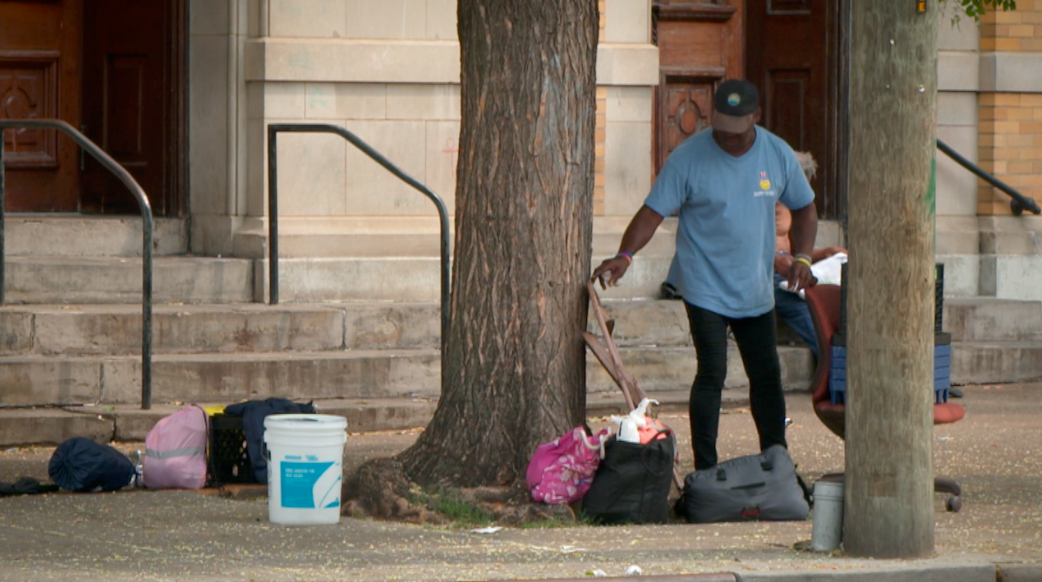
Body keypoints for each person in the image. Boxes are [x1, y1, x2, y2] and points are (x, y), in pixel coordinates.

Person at [593, 79, 819, 471]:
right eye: (721, 129)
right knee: (712, 371)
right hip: (704, 285)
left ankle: (777, 458)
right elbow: (652, 212)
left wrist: (803, 257)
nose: (727, 140)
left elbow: (806, 208)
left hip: (754, 287)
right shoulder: (689, 157)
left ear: (756, 118)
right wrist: (625, 255)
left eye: (736, 131)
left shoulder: (776, 153)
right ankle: (706, 469)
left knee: (765, 375)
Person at [773, 152, 846, 361]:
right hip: (764, 272)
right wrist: (773, 259)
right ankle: (834, 362)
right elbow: (746, 243)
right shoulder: (768, 197)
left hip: (787, 267)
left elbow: (791, 253)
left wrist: (823, 254)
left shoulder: (793, 207)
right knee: (801, 302)